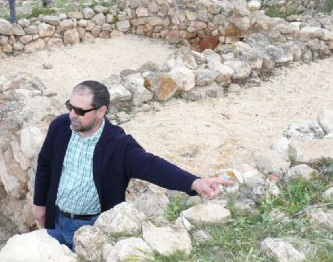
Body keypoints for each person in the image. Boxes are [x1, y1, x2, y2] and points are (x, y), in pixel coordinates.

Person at [33, 80, 232, 250]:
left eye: (79, 111)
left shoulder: (118, 144)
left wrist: (194, 182)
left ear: (101, 111)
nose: (72, 115)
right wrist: (39, 204)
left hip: (93, 229)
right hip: (56, 218)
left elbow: (151, 166)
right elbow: (45, 165)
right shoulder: (60, 126)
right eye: (70, 107)